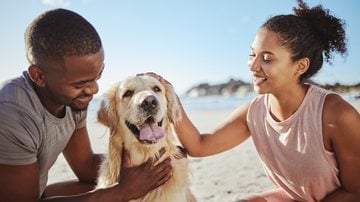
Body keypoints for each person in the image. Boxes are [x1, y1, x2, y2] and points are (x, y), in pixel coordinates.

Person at [160, 0, 360, 201]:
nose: (253, 66)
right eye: (252, 54)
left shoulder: (337, 114)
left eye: (267, 58)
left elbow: (355, 191)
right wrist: (170, 97)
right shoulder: (254, 113)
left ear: (300, 66)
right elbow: (199, 146)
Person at [0, 9, 172, 202]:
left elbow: (85, 166)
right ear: (39, 76)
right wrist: (122, 191)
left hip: (37, 192)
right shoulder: (11, 113)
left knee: (113, 184)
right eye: (80, 84)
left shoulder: (72, 99)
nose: (93, 89)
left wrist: (148, 165)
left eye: (97, 76)